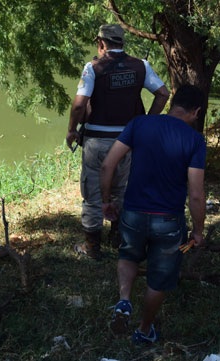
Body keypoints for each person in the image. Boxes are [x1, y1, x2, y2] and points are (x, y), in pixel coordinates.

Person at [100, 85, 206, 343]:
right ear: (196, 112)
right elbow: (195, 194)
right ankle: (144, 330)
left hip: (133, 213)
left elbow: (107, 165)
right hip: (168, 222)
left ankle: (124, 301)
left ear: (173, 104)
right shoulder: (194, 140)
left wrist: (106, 201)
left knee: (128, 255)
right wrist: (198, 230)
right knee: (159, 279)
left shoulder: (139, 124)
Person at [66, 24, 170, 259]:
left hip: (97, 142)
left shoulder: (93, 68)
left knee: (93, 190)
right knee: (123, 189)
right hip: (128, 142)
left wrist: (72, 130)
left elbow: (80, 104)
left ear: (101, 43)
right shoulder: (141, 66)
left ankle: (92, 247)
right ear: (122, 43)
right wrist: (144, 124)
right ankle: (118, 235)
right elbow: (163, 94)